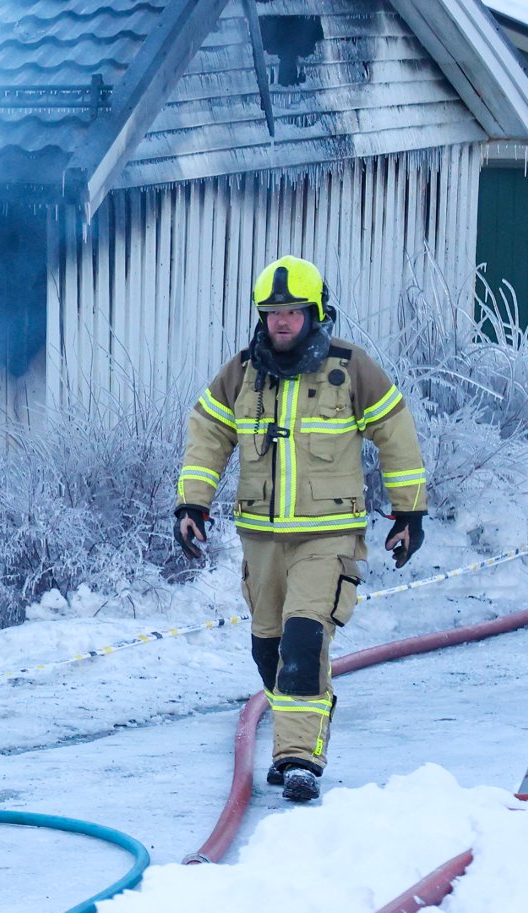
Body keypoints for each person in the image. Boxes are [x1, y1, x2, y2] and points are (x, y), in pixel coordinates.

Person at [174, 256, 427, 804]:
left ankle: (298, 759)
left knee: (304, 641)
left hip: (329, 535)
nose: (281, 322)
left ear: (316, 313)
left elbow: (395, 433)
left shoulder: (351, 368)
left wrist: (409, 512)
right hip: (261, 540)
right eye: (271, 313)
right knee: (269, 651)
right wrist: (191, 504)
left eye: (292, 312)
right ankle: (307, 718)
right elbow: (207, 436)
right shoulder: (241, 374)